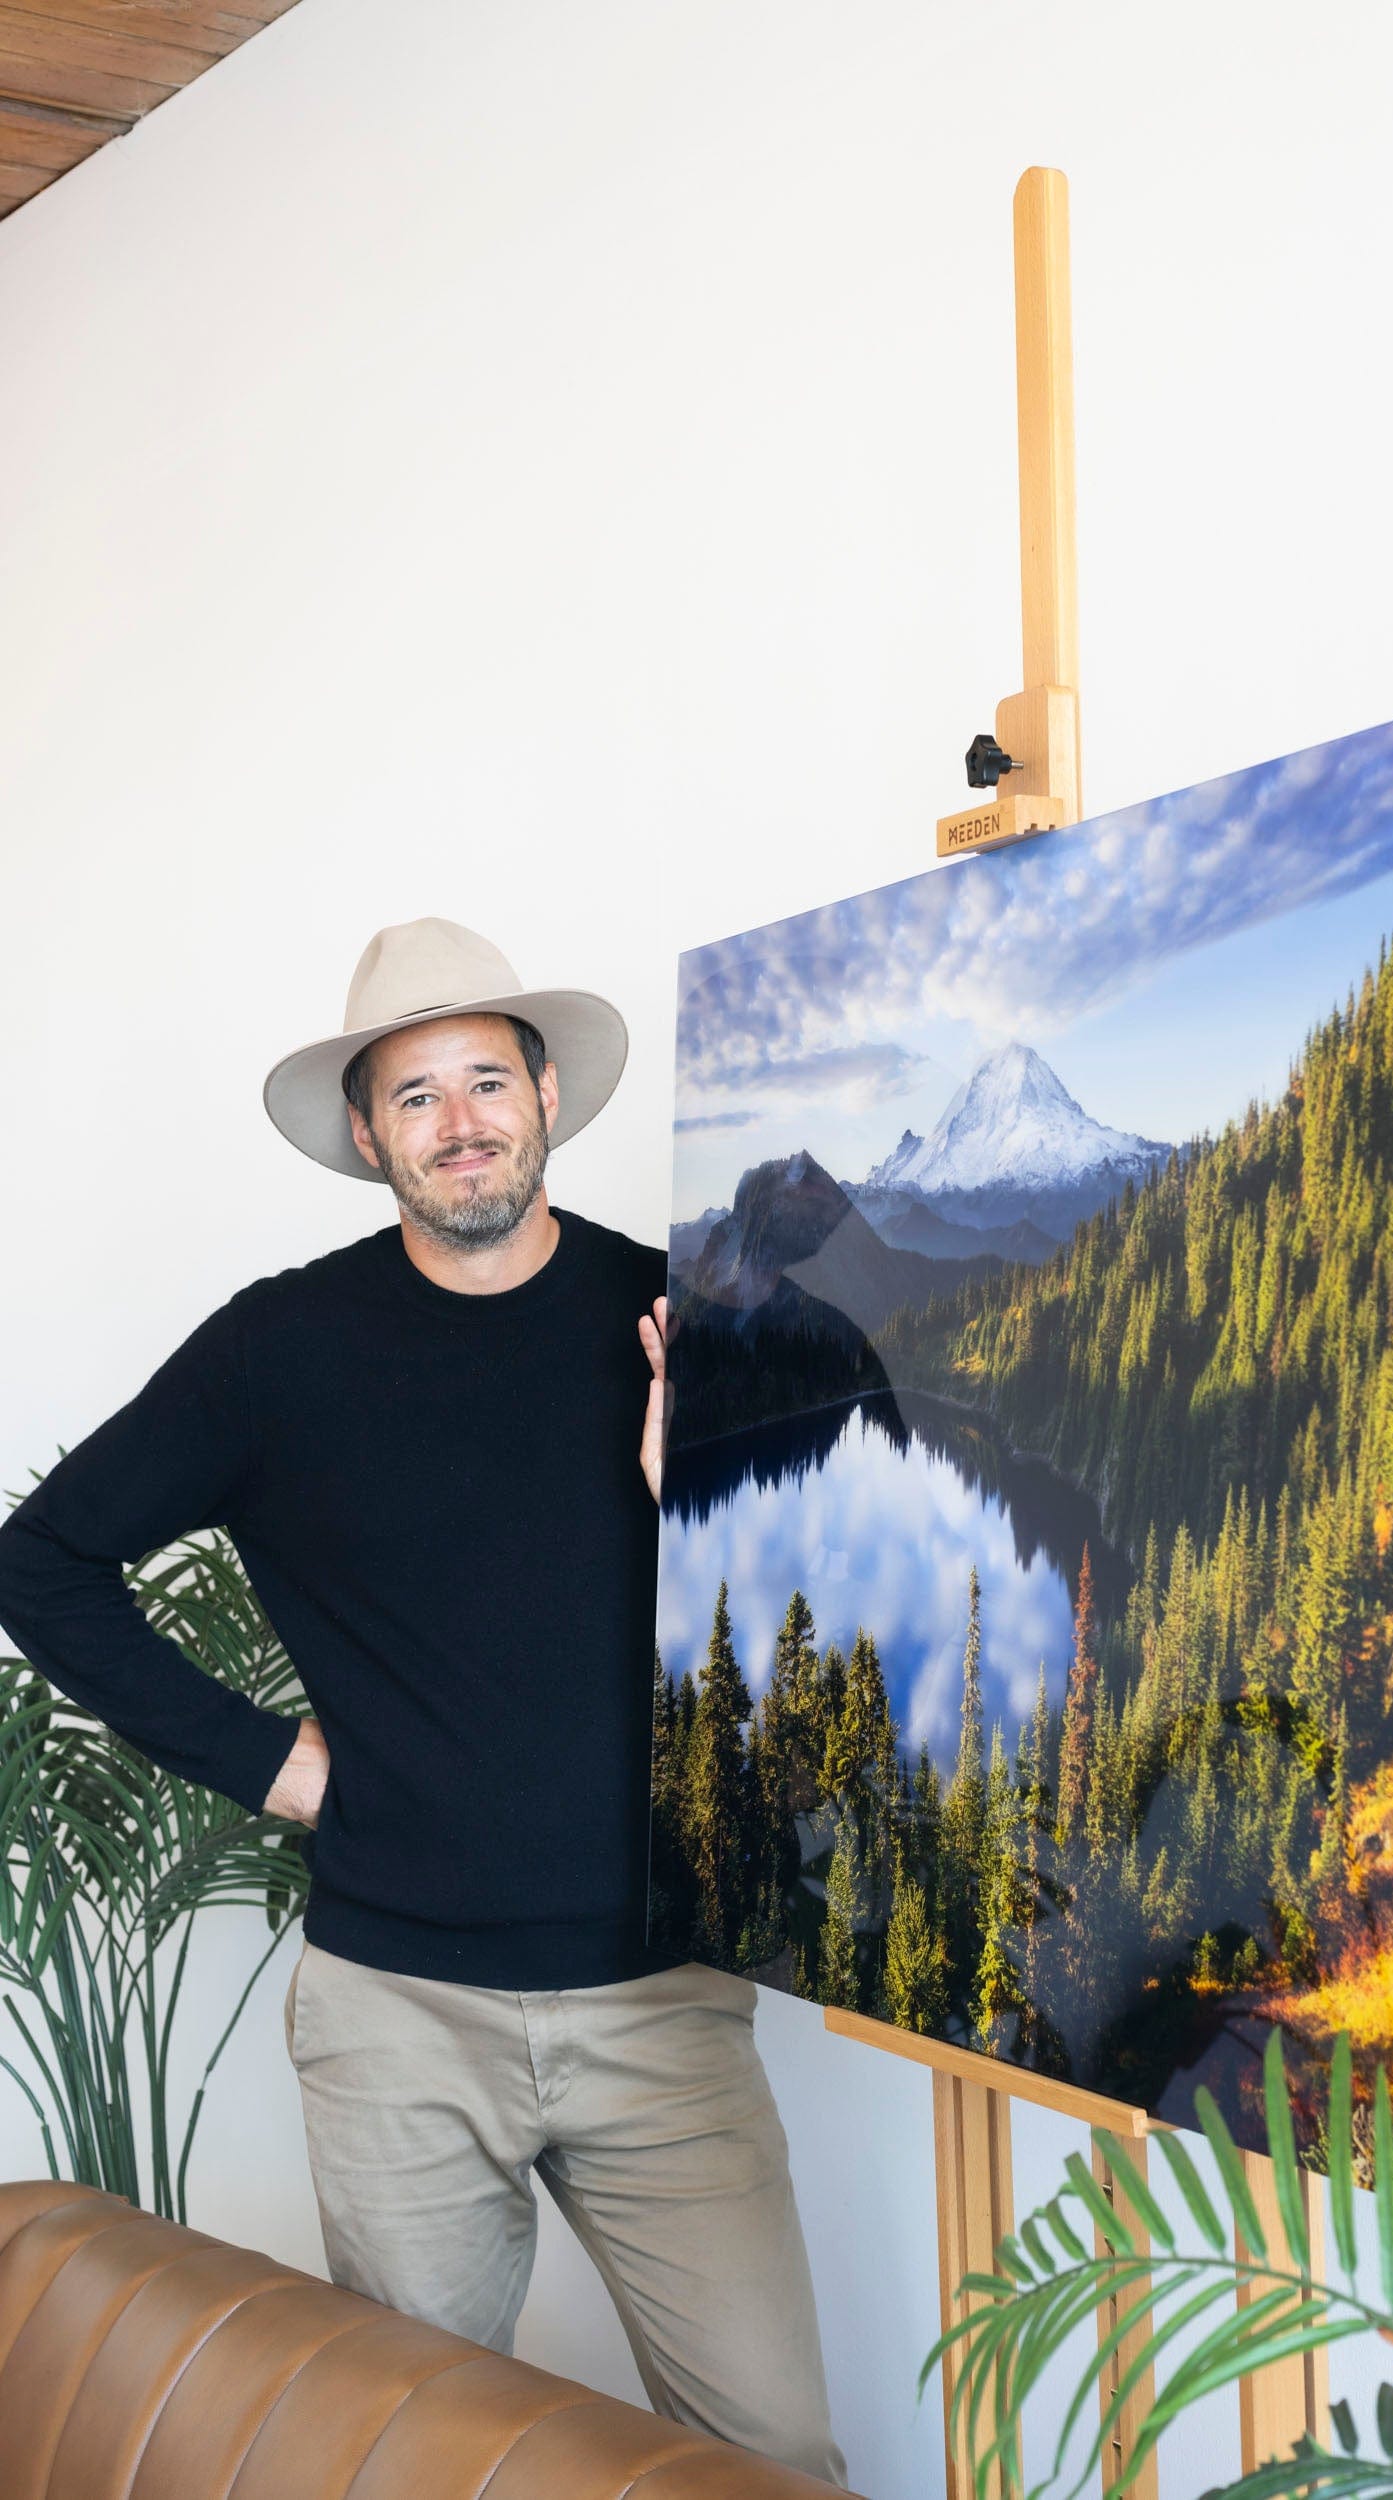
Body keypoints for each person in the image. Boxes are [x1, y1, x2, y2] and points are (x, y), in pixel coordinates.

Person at [0, 915, 846, 2486]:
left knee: (777, 2462)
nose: (460, 1123)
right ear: (367, 1132)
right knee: (407, 2469)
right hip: (397, 2022)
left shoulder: (676, 1317)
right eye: (415, 1096)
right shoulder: (279, 1349)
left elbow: (828, 1641)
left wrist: (698, 1506)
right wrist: (274, 1767)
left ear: (543, 1097)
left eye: (485, 1081)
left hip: (665, 2006)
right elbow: (38, 1562)